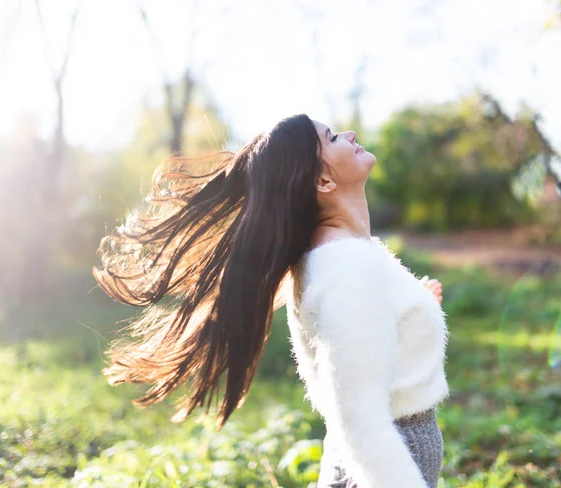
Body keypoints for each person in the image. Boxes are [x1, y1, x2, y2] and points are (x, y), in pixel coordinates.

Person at [92, 113, 450, 488]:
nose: (350, 134)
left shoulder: (345, 257)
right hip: (384, 464)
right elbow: (362, 422)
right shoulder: (348, 267)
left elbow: (364, 347)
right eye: (331, 138)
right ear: (322, 180)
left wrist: (414, 308)